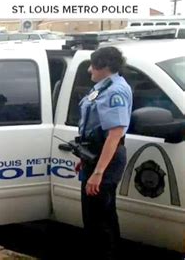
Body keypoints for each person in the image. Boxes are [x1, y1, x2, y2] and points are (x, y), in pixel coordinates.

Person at [77, 46, 132, 260]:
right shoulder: (105, 86)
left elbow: (114, 134)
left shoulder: (114, 91)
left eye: (93, 65)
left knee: (100, 219)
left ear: (105, 66)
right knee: (94, 217)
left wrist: (99, 171)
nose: (90, 70)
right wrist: (86, 158)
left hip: (106, 159)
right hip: (97, 155)